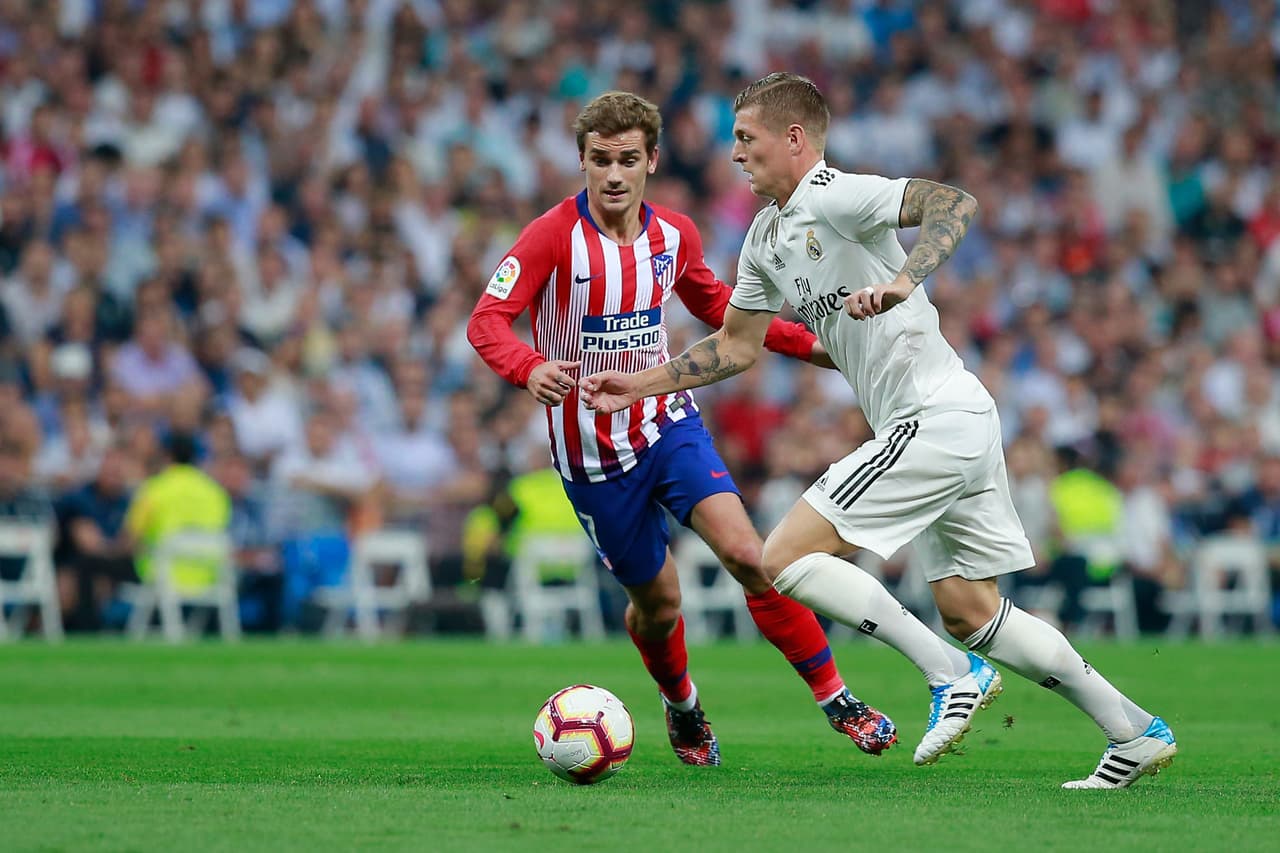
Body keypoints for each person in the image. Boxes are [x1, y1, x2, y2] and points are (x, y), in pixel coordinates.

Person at [580, 73, 1175, 789]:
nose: (734, 154)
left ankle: (951, 675)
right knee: (971, 609)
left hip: (933, 415)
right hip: (956, 416)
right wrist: (637, 385)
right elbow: (736, 345)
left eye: (746, 138)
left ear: (793, 139)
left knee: (784, 556)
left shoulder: (836, 194)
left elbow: (953, 203)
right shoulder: (766, 237)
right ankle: (1133, 730)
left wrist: (905, 279)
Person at [467, 91, 896, 767]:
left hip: (668, 424)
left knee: (752, 556)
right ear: (582, 161)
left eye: (627, 159)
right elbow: (486, 320)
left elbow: (723, 308)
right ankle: (683, 705)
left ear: (652, 161)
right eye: (601, 160)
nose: (614, 174)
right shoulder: (551, 236)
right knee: (659, 604)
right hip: (593, 457)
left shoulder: (674, 235)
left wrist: (810, 344)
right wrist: (528, 367)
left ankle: (837, 698)